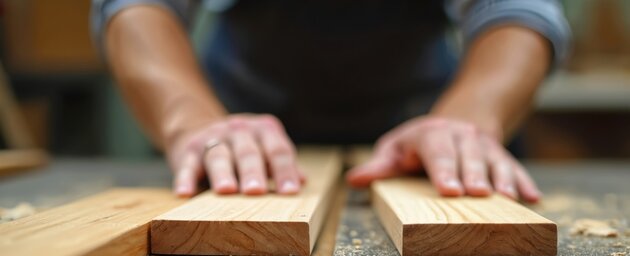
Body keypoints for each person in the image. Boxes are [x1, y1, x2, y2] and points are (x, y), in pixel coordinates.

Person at [91, 0, 570, 202]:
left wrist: (467, 121)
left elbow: (518, 10)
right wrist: (189, 122)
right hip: (239, 118)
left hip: (419, 119)